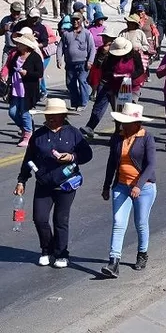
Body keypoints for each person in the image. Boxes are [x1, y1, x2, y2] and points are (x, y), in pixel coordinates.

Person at [14, 98, 94, 269]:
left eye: (55, 115)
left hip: (66, 185)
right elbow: (29, 158)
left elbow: (87, 154)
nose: (51, 118)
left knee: (60, 220)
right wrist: (22, 180)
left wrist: (72, 157)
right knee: (40, 219)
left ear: (63, 116)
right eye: (48, 115)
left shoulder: (72, 133)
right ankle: (46, 249)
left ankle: (61, 254)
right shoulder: (39, 135)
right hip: (43, 184)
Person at [100, 103, 157, 278]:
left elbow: (151, 165)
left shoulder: (146, 137)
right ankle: (114, 262)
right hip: (121, 186)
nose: (123, 125)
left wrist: (138, 185)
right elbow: (111, 163)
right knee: (118, 222)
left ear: (136, 123)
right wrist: (107, 185)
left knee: (140, 222)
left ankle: (142, 254)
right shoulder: (118, 138)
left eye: (126, 122)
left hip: (144, 187)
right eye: (122, 122)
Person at [81, 37, 145, 139]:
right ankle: (95, 127)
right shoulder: (111, 57)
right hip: (113, 85)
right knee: (113, 109)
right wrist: (113, 75)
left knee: (125, 111)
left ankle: (121, 133)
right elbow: (105, 71)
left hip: (130, 87)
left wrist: (129, 76)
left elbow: (140, 70)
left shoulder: (135, 55)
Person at [5, 33, 43, 147]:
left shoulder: (35, 57)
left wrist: (27, 73)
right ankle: (25, 129)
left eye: (20, 43)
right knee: (12, 112)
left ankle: (28, 135)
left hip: (28, 89)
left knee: (25, 112)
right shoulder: (16, 55)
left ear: (26, 45)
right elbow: (10, 67)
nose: (18, 45)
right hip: (16, 88)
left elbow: (39, 73)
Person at [57, 12, 95, 112]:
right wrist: (58, 59)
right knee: (70, 83)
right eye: (74, 19)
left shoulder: (87, 33)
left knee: (82, 81)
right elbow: (60, 47)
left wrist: (90, 61)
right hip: (70, 63)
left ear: (81, 20)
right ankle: (75, 102)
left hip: (83, 63)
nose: (75, 21)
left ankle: (83, 103)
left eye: (78, 19)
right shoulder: (66, 33)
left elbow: (92, 48)